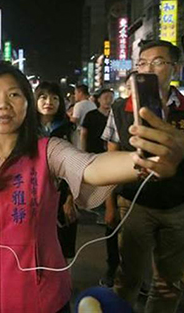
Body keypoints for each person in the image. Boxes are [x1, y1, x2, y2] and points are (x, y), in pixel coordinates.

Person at [0, 62, 184, 313]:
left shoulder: (48, 150)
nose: (3, 104)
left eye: (14, 94)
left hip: (42, 298)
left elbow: (92, 166)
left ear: (27, 103)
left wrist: (146, 160)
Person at [101, 40, 184, 312]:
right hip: (135, 205)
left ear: (175, 67)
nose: (148, 69)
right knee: (128, 277)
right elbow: (110, 160)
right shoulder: (120, 109)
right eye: (142, 63)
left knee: (168, 284)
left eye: (158, 62)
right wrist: (109, 205)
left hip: (180, 207)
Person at [35, 82, 78, 261]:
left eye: (54, 98)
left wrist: (70, 198)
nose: (49, 102)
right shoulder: (27, 129)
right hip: (34, 192)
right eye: (43, 97)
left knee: (61, 246)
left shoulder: (68, 129)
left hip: (61, 193)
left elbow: (75, 165)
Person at [80, 88, 118, 288]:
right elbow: (84, 134)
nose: (108, 100)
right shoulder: (91, 116)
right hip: (97, 157)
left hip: (119, 166)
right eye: (105, 97)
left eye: (111, 97)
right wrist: (83, 154)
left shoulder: (119, 114)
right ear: (98, 99)